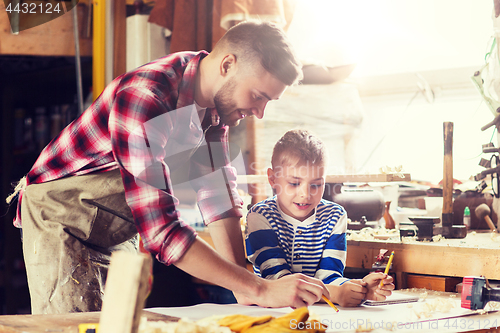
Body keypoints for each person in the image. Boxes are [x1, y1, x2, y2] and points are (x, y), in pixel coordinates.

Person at [6, 21, 330, 314]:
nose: (259, 112)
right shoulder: (145, 96)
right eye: (258, 96)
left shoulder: (215, 110)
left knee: (119, 324)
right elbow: (163, 231)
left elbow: (218, 201)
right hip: (62, 220)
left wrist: (244, 287)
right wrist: (258, 287)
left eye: (268, 102)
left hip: (111, 229)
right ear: (228, 64)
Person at [245, 129, 395, 307]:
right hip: (271, 313)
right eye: (294, 183)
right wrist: (335, 293)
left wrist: (359, 289)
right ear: (272, 179)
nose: (306, 194)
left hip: (318, 311)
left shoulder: (335, 216)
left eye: (316, 184)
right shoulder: (260, 216)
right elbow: (278, 280)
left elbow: (329, 276)